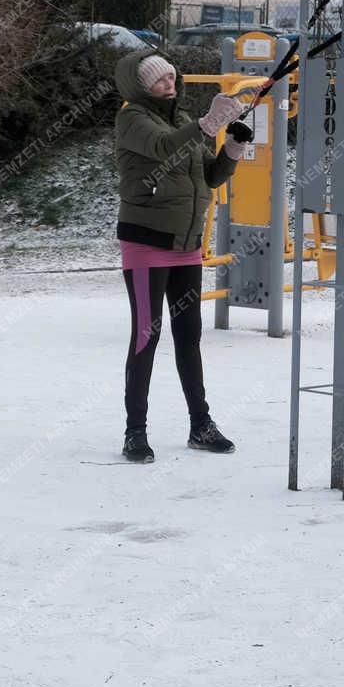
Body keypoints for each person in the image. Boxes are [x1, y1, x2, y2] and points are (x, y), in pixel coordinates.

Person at [114, 51, 247, 463]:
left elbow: (207, 175)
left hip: (185, 245)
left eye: (170, 76)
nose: (167, 84)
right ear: (140, 86)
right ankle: (135, 431)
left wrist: (232, 150)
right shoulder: (132, 118)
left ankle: (200, 424)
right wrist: (206, 125)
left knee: (189, 335)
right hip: (146, 244)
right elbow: (160, 147)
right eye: (157, 79)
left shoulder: (179, 120)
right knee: (146, 335)